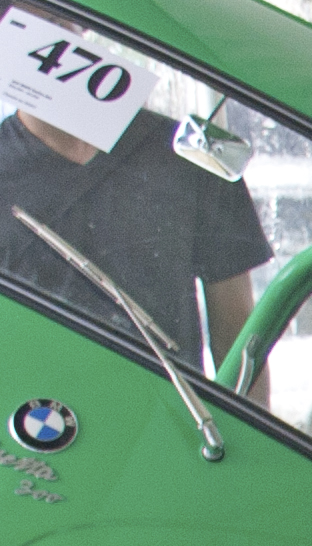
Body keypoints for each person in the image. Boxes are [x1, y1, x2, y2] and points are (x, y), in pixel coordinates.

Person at [0, 106, 268, 371]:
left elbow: (240, 343)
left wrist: (248, 413)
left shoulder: (190, 152)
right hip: (29, 405)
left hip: (173, 406)